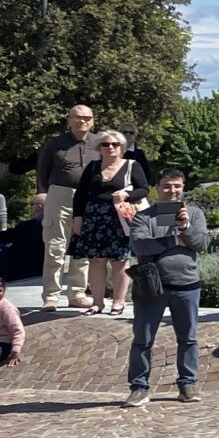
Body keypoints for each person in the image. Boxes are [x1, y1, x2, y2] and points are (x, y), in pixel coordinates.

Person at [122, 170, 210, 405]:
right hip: (152, 287)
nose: (172, 191)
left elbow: (201, 244)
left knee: (188, 338)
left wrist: (185, 228)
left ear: (183, 187)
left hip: (187, 284)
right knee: (142, 339)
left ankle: (187, 385)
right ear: (157, 188)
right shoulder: (143, 217)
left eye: (177, 186)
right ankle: (139, 387)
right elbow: (141, 247)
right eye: (167, 186)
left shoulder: (194, 214)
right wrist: (175, 241)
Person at [73, 129, 150, 317]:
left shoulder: (132, 165)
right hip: (94, 220)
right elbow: (81, 195)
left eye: (115, 144)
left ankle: (118, 301)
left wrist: (127, 194)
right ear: (99, 148)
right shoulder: (92, 167)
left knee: (120, 261)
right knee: (95, 261)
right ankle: (97, 303)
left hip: (120, 220)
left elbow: (143, 189)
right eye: (105, 144)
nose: (110, 147)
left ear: (121, 147)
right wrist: (78, 217)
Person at [35, 103, 100, 310]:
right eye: (78, 117)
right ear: (69, 120)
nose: (82, 121)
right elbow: (42, 172)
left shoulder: (100, 143)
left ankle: (77, 294)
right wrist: (43, 194)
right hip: (60, 195)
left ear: (93, 121)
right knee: (55, 246)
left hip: (88, 197)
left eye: (87, 118)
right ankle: (51, 295)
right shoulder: (55, 144)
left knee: (82, 247)